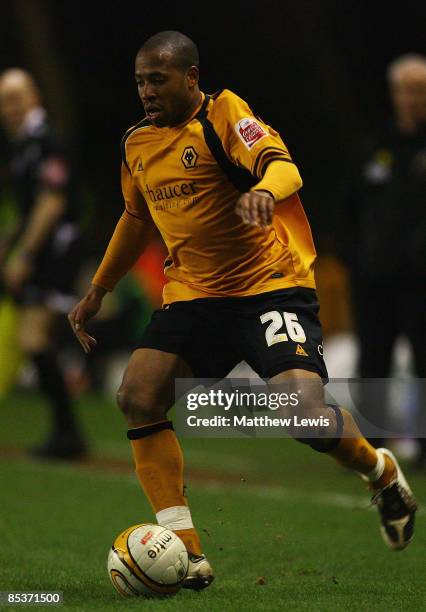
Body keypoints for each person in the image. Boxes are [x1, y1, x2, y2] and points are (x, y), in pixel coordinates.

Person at [69, 32, 417, 590]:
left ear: (190, 77)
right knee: (137, 395)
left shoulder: (224, 115)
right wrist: (99, 288)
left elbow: (284, 168)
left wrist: (263, 191)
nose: (146, 91)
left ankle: (380, 472)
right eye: (139, 80)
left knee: (302, 414)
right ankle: (187, 551)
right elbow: (135, 219)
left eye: (157, 79)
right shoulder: (136, 143)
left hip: (268, 287)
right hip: (195, 296)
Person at [0, 69, 87, 460]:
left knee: (35, 336)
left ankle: (68, 436)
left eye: (15, 98)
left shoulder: (46, 140)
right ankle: (67, 433)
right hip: (40, 251)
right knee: (35, 339)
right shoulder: (23, 146)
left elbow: (52, 203)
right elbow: (27, 206)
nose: (9, 108)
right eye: (3, 101)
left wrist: (25, 255)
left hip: (54, 253)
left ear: (34, 97)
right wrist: (8, 243)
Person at [346, 54, 426, 465]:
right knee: (372, 360)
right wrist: (354, 258)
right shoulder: (374, 146)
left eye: (418, 89)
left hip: (420, 283)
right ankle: (369, 450)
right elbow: (351, 208)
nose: (410, 98)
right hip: (374, 278)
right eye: (404, 89)